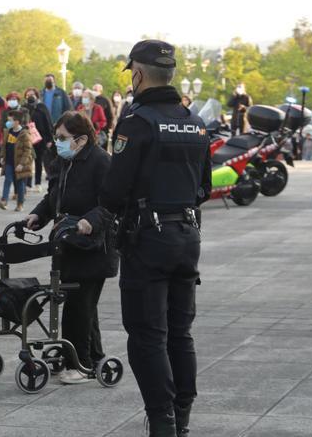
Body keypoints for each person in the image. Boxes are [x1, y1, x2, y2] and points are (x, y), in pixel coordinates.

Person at [100, 40, 211, 437]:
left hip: (148, 239)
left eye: (131, 72)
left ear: (139, 74)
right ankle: (182, 416)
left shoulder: (138, 121)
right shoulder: (194, 122)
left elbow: (114, 190)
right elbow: (204, 187)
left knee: (148, 336)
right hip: (187, 235)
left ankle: (162, 420)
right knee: (180, 333)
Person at [25, 111, 117, 384]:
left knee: (79, 305)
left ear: (82, 140)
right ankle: (95, 357)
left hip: (94, 247)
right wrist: (38, 215)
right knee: (85, 306)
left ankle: (80, 364)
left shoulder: (101, 162)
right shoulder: (66, 162)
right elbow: (54, 196)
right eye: (57, 137)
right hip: (69, 244)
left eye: (63, 138)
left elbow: (112, 203)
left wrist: (91, 220)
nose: (58, 142)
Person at [0, 110, 34, 212]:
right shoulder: (7, 132)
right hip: (9, 162)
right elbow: (4, 146)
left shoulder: (24, 134)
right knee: (7, 180)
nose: (8, 122)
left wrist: (22, 164)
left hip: (20, 163)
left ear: (17, 121)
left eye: (10, 120)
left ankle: (20, 204)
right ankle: (4, 200)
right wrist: (2, 157)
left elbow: (28, 150)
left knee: (20, 184)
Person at [26, 89, 53, 193]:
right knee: (28, 161)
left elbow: (48, 123)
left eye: (32, 95)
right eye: (28, 95)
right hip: (27, 139)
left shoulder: (42, 108)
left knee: (38, 161)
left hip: (40, 139)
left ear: (37, 96)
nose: (30, 97)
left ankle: (37, 183)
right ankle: (28, 184)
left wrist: (50, 139)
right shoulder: (24, 108)